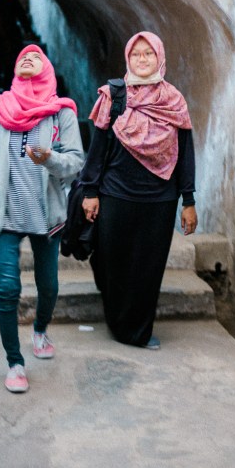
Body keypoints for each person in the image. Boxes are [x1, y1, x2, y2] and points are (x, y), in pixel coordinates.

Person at [0, 45, 85, 393]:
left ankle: (39, 330)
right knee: (8, 288)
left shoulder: (61, 114)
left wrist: (50, 159)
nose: (28, 57)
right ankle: (15, 362)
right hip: (5, 216)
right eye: (22, 55)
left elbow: (75, 163)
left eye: (36, 56)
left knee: (49, 286)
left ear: (47, 69)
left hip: (46, 218)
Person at [78, 31, 197, 350]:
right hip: (116, 194)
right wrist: (90, 190)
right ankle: (118, 320)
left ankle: (138, 331)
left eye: (149, 54)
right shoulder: (113, 96)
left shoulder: (174, 101)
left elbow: (185, 152)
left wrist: (189, 200)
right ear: (128, 58)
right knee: (113, 261)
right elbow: (98, 147)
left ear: (160, 57)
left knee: (148, 267)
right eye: (136, 54)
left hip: (160, 199)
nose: (142, 59)